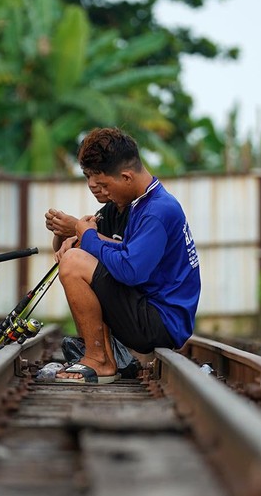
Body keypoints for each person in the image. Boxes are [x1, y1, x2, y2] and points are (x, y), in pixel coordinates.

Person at [52, 127, 200, 384]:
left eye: (104, 185)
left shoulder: (157, 210)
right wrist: (78, 240)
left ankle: (99, 360)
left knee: (75, 263)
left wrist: (88, 238)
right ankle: (106, 357)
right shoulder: (141, 203)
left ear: (126, 177)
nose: (98, 191)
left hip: (160, 321)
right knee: (77, 256)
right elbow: (121, 252)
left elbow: (131, 271)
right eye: (89, 181)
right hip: (151, 311)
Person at [43, 173, 138, 377]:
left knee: (78, 260)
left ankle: (99, 358)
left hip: (141, 308)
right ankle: (99, 354)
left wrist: (81, 232)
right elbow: (65, 253)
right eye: (87, 176)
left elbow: (134, 253)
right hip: (123, 306)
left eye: (97, 175)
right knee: (76, 256)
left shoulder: (142, 209)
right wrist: (63, 233)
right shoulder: (106, 213)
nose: (92, 184)